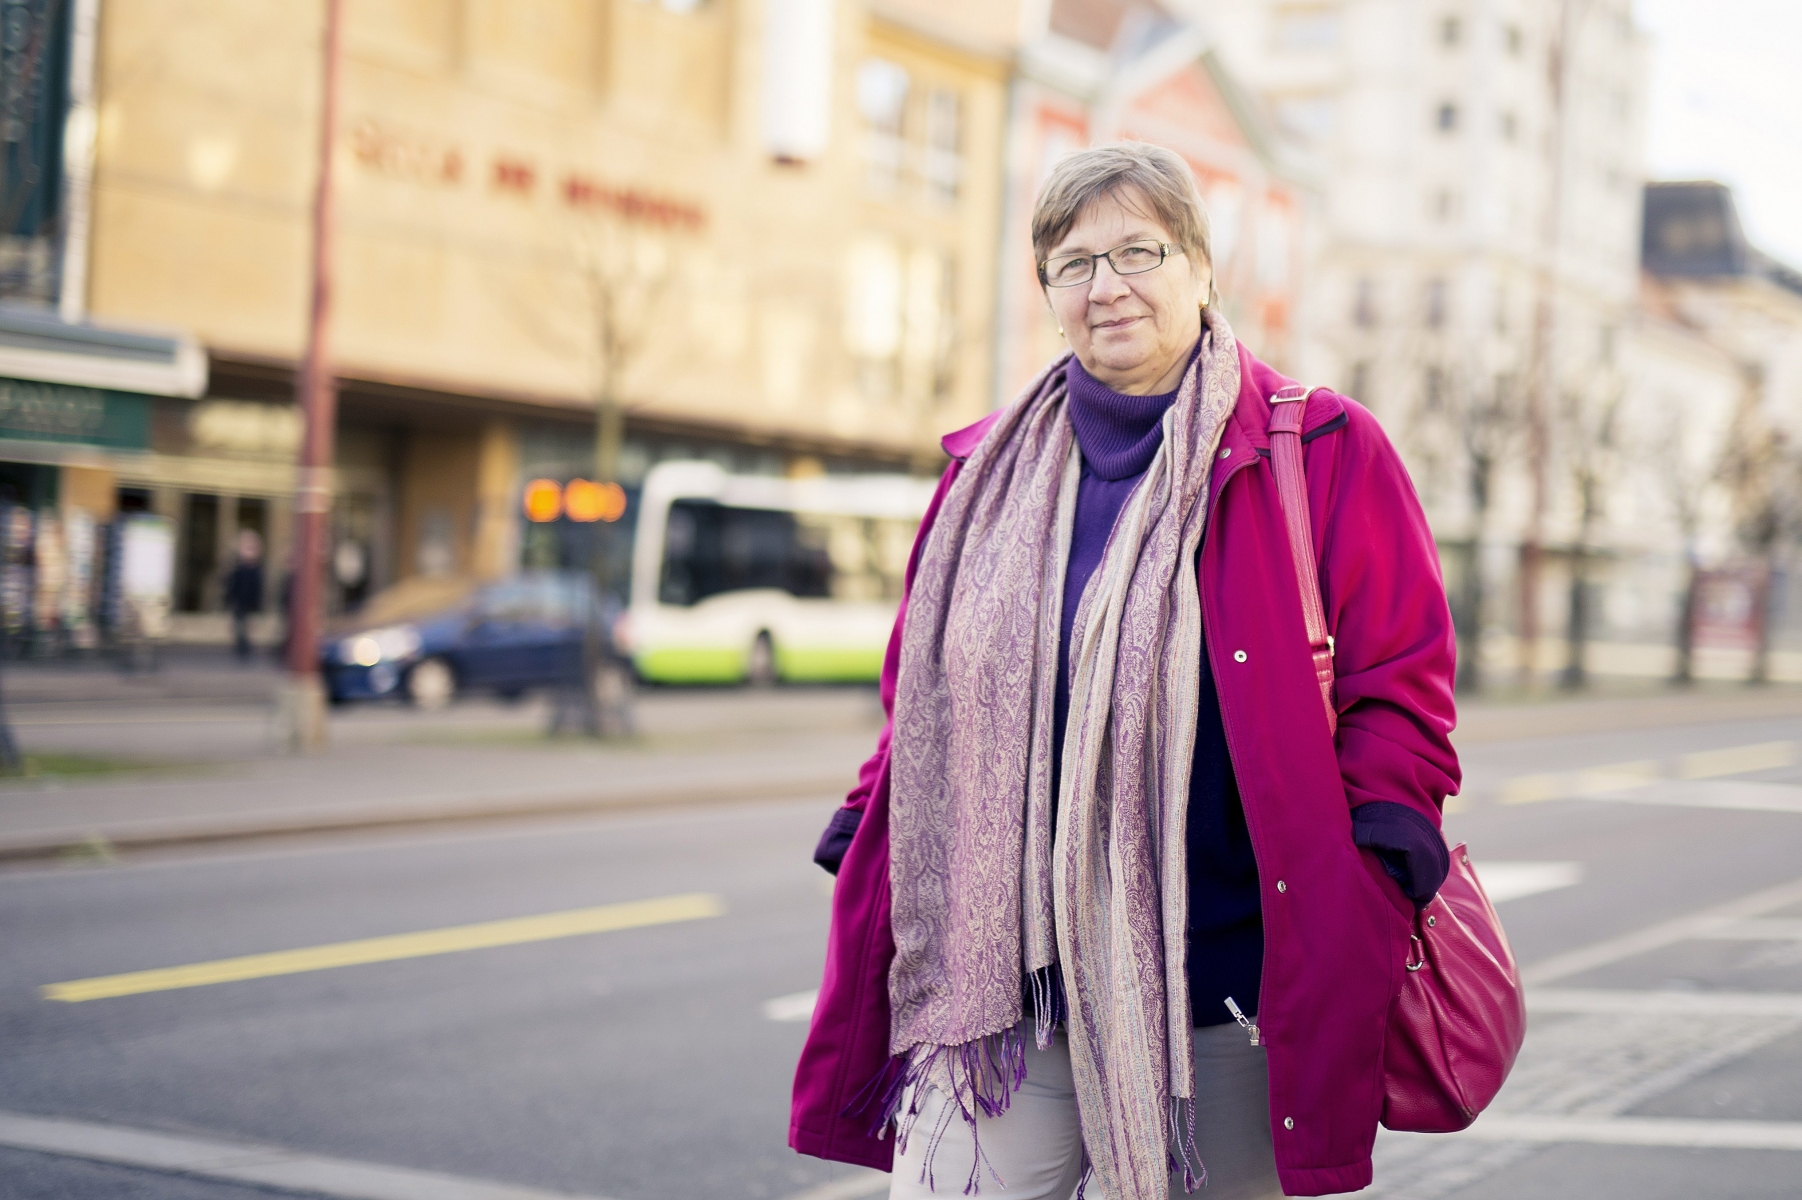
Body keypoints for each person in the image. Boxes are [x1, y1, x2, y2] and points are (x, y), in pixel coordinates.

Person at [790, 142, 1460, 1200]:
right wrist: (869, 825)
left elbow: (1402, 688)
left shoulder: (1320, 450)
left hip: (1224, 993)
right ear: (1048, 293)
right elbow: (922, 700)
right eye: (1072, 262)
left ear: (1198, 266)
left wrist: (1376, 872)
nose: (1106, 287)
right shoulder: (980, 478)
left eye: (1137, 252)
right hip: (1001, 996)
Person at [221, 529, 264, 662]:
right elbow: (232, 584)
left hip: (248, 602)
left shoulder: (255, 569)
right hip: (239, 602)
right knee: (239, 626)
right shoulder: (238, 567)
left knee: (245, 627)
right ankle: (241, 648)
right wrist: (229, 599)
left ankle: (244, 648)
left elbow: (257, 589)